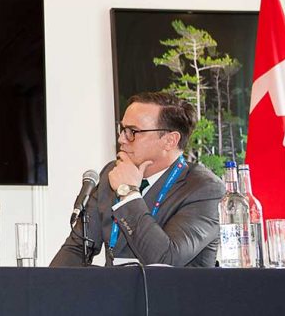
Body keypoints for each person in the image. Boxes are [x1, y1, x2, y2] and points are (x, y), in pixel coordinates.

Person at [50, 91, 224, 267]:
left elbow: (166, 260)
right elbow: (77, 248)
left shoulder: (204, 189)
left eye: (132, 131)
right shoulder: (111, 173)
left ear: (170, 140)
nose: (121, 139)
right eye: (122, 129)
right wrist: (45, 288)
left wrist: (129, 194)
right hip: (115, 292)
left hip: (171, 293)